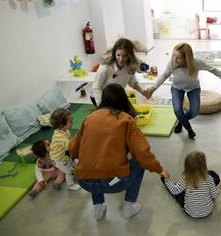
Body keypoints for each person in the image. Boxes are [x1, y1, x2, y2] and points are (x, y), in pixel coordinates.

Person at [69, 83, 166, 220]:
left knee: (92, 160)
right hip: (114, 183)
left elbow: (73, 148)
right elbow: (143, 154)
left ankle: (98, 206)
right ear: (123, 99)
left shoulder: (89, 118)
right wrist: (159, 169)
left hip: (85, 182)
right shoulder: (127, 120)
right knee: (139, 163)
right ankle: (129, 206)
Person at [146, 42, 221, 139]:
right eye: (174, 56)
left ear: (187, 58)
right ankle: (189, 130)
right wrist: (154, 87)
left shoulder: (196, 63)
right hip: (177, 88)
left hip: (193, 88)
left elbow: (213, 69)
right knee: (177, 110)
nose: (175, 59)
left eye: (178, 58)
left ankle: (181, 121)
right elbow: (164, 75)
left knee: (194, 112)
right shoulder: (172, 63)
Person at [160, 151, 221, 218]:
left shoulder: (185, 179)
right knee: (212, 173)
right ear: (204, 166)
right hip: (208, 211)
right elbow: (215, 195)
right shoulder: (209, 178)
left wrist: (167, 179)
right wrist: (220, 187)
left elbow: (174, 191)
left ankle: (165, 180)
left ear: (186, 166)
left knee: (179, 193)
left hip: (190, 212)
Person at [91, 38, 148, 106]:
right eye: (118, 55)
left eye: (124, 56)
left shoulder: (130, 66)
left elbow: (132, 81)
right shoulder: (105, 67)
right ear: (114, 53)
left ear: (129, 55)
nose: (121, 59)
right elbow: (96, 87)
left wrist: (143, 92)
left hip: (116, 96)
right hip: (100, 97)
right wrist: (101, 106)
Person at [49, 108, 81, 191]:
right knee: (69, 171)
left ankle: (76, 175)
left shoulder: (65, 130)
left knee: (75, 163)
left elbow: (70, 142)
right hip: (59, 159)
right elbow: (71, 147)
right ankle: (70, 185)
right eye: (70, 122)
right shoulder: (58, 136)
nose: (72, 123)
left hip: (65, 156)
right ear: (61, 125)